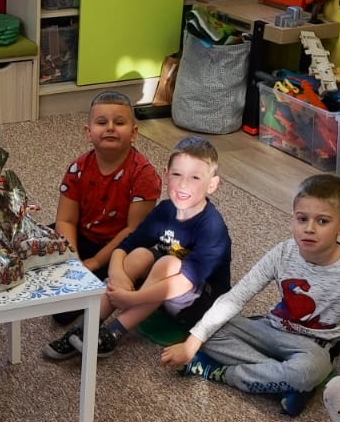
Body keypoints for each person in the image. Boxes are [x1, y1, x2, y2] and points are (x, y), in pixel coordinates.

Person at [162, 172, 340, 417]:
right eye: (302, 219)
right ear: (293, 218)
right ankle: (285, 382)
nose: (309, 228)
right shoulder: (282, 252)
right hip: (271, 329)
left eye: (322, 221)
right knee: (206, 329)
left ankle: (222, 373)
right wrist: (192, 343)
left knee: (305, 372)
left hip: (314, 346)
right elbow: (237, 296)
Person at [68, 136, 231, 360]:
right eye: (177, 175)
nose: (183, 185)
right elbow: (127, 245)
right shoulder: (165, 210)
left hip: (198, 304)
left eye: (195, 177)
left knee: (168, 262)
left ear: (212, 184)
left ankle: (115, 331)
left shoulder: (212, 227)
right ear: (166, 175)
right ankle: (85, 326)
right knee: (140, 255)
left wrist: (132, 299)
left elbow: (184, 282)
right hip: (163, 292)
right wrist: (116, 275)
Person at [42, 91, 161, 361]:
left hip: (119, 248)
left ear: (134, 133)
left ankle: (106, 289)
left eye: (119, 122)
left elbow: (132, 230)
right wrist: (74, 262)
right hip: (82, 237)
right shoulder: (78, 167)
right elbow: (66, 220)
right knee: (36, 243)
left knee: (67, 310)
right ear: (88, 132)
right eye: (101, 122)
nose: (110, 128)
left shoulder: (144, 175)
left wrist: (94, 263)